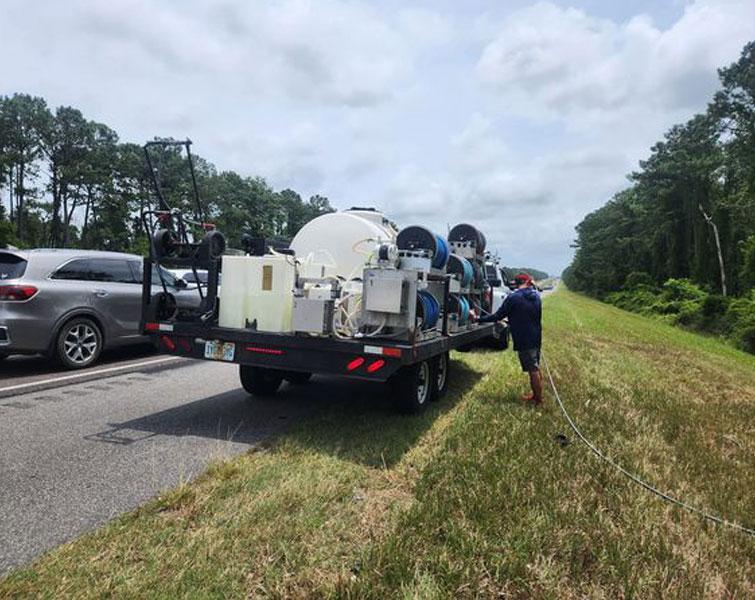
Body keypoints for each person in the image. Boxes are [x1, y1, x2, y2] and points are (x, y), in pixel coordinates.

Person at [478, 273, 543, 405]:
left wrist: (478, 318)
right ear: (528, 283)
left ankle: (538, 400)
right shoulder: (536, 296)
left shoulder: (513, 297)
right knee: (535, 366)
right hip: (536, 336)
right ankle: (536, 395)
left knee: (533, 370)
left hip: (523, 338)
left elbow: (497, 316)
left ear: (516, 283)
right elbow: (529, 315)